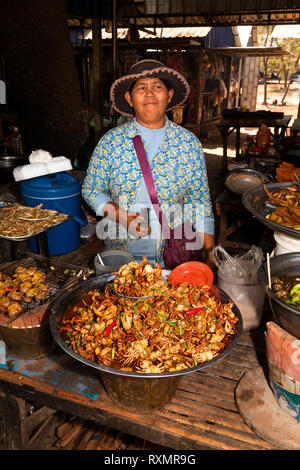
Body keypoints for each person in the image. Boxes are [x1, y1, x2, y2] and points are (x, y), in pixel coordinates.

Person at [82, 59, 215, 267]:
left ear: (169, 95)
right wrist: (120, 216)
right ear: (129, 98)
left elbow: (200, 202)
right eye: (141, 87)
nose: (150, 93)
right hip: (121, 255)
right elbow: (91, 190)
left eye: (158, 87)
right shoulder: (111, 142)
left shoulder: (188, 144)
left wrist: (210, 252)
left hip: (174, 256)